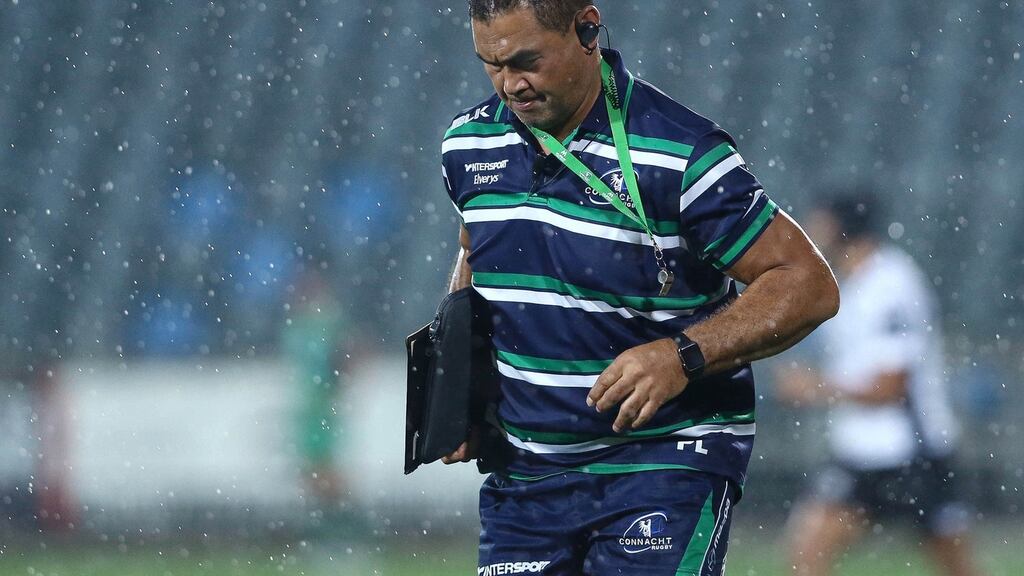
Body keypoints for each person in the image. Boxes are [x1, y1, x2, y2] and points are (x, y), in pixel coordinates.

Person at [439, 2, 839, 574]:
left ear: (586, 29)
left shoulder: (682, 152)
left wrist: (681, 356)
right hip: (528, 473)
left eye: (526, 61)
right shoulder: (466, 145)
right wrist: (464, 388)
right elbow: (475, 252)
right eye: (491, 64)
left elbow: (808, 284)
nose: (511, 85)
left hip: (663, 461)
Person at [778, 194, 983, 576]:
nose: (812, 232)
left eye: (820, 222)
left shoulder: (892, 283)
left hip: (910, 451)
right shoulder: (850, 284)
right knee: (806, 555)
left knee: (957, 567)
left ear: (843, 227)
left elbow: (892, 387)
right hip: (861, 451)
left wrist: (816, 387)